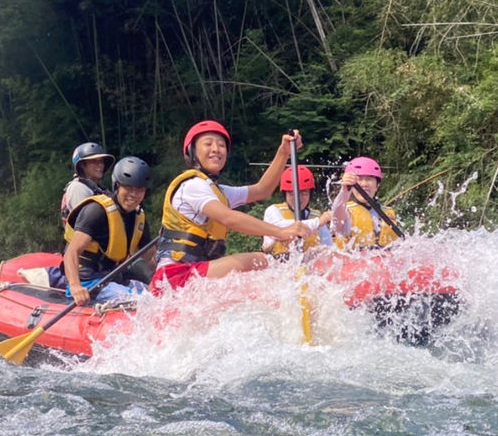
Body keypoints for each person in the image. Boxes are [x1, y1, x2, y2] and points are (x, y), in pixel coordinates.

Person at [150, 120, 310, 292]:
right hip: (172, 279)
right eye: (208, 144)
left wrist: (283, 152)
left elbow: (262, 190)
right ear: (192, 152)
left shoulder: (219, 192)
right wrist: (281, 232)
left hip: (194, 275)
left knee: (252, 279)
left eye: (221, 145)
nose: (216, 149)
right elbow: (229, 218)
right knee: (259, 260)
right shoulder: (192, 185)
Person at [46, 156, 156, 304]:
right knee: (144, 301)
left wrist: (165, 279)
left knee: (157, 296)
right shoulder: (97, 211)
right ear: (116, 186)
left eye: (139, 190)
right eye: (128, 188)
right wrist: (75, 287)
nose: (134, 195)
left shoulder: (138, 216)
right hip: (90, 283)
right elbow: (71, 252)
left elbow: (151, 258)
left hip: (115, 279)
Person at [330, 156, 402, 249]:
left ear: (377, 185)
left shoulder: (388, 213)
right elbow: (337, 219)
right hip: (353, 261)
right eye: (359, 179)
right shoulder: (345, 212)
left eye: (369, 179)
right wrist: (344, 191)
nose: (364, 184)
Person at [261, 165, 333, 257]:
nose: (298, 198)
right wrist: (317, 222)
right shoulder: (273, 211)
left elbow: (329, 249)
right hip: (278, 266)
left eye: (304, 193)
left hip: (309, 267)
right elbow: (279, 229)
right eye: (292, 193)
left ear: (310, 194)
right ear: (285, 194)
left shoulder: (316, 216)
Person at [61, 141, 114, 241]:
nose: (100, 165)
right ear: (82, 165)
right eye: (94, 161)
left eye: (101, 161)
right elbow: (85, 224)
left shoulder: (99, 189)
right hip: (87, 252)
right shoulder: (78, 187)